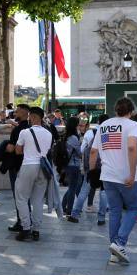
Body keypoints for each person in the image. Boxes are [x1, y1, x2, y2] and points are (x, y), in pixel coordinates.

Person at [89, 98, 137, 264]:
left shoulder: (103, 126)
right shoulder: (132, 125)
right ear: (130, 111)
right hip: (125, 174)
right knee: (134, 208)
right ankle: (119, 243)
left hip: (107, 175)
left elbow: (93, 151)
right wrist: (132, 174)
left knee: (115, 211)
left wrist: (91, 172)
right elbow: (132, 147)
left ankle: (114, 250)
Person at [14, 106, 52, 242]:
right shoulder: (49, 133)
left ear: (33, 117)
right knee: (38, 200)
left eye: (30, 116)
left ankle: (25, 227)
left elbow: (18, 151)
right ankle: (36, 229)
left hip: (28, 165)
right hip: (43, 168)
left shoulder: (25, 132)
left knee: (22, 197)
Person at [6, 104, 31, 231]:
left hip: (17, 166)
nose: (15, 114)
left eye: (17, 112)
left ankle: (22, 222)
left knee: (19, 196)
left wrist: (6, 147)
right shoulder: (32, 128)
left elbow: (12, 148)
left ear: (23, 113)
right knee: (28, 196)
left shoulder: (18, 130)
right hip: (31, 166)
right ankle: (29, 220)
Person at [60, 117, 83, 216]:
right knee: (73, 189)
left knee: (71, 187)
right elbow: (79, 153)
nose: (79, 126)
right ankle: (69, 210)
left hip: (67, 165)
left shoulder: (66, 136)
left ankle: (62, 206)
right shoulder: (73, 138)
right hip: (74, 165)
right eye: (78, 124)